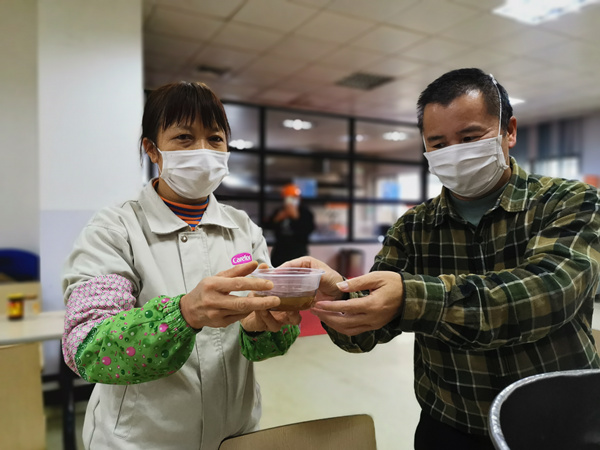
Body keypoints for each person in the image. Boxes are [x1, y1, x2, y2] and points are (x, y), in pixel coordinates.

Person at [283, 68, 600, 449]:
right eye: (438, 143)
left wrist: (411, 297)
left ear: (509, 131)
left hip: (560, 425)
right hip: (449, 423)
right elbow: (365, 334)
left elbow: (551, 292)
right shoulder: (413, 227)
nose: (455, 153)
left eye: (469, 138)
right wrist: (339, 297)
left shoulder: (569, 202)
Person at [62, 81, 301, 450]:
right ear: (152, 149)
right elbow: (88, 346)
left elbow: (261, 346)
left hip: (235, 436)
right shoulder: (115, 229)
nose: (203, 150)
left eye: (215, 138)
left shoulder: (243, 228)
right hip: (141, 442)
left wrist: (262, 328)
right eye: (184, 138)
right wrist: (184, 314)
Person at [263, 183, 315, 267]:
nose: (291, 201)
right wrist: (277, 219)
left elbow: (308, 230)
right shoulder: (279, 211)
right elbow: (267, 227)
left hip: (299, 253)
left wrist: (296, 218)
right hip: (279, 253)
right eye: (288, 198)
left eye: (294, 198)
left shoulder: (305, 213)